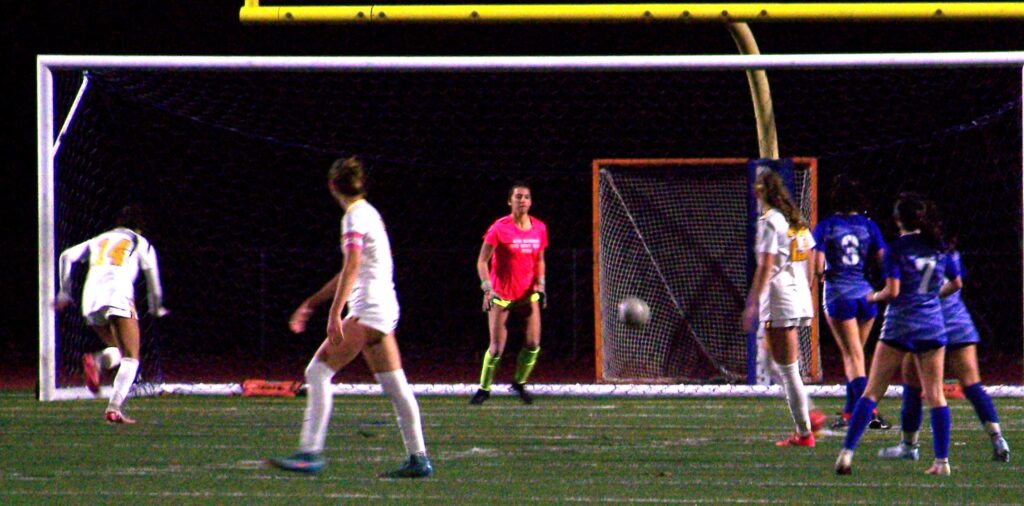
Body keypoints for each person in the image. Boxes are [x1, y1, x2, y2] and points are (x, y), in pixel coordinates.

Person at [269, 156, 432, 478]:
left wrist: (334, 314)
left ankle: (310, 453)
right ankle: (419, 458)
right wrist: (313, 302)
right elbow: (349, 269)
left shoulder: (353, 218)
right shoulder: (369, 212)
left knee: (316, 372)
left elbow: (353, 266)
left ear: (332, 186)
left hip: (369, 309)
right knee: (397, 387)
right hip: (383, 307)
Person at [835, 192, 959, 476]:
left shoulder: (896, 249)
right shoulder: (937, 247)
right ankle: (942, 462)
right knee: (935, 394)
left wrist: (873, 296)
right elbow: (957, 282)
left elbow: (893, 292)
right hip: (930, 324)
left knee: (872, 392)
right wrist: (930, 296)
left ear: (897, 220)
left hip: (900, 324)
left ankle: (846, 454)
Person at [877, 243, 1010, 463]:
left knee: (912, 383)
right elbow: (957, 282)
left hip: (927, 323)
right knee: (972, 384)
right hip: (958, 322)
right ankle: (998, 440)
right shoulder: (950, 252)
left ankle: (909, 446)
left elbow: (905, 288)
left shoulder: (913, 251)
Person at [54, 205, 169, 424]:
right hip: (117, 295)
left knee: (119, 350)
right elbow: (153, 283)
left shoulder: (100, 239)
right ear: (140, 227)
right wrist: (156, 308)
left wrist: (65, 292)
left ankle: (97, 361)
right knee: (131, 359)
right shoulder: (141, 242)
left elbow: (66, 256)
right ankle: (114, 408)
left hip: (90, 300)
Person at [742, 169, 823, 447]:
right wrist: (804, 287)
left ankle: (805, 431)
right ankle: (808, 418)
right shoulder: (796, 220)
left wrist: (753, 302)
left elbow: (765, 265)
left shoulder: (769, 221)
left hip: (780, 299)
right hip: (798, 297)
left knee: (789, 371)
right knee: (773, 362)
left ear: (761, 191)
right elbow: (812, 260)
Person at [812, 175, 891, 430]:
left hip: (840, 296)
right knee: (855, 356)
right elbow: (884, 261)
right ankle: (849, 412)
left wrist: (823, 275)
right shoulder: (869, 226)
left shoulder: (826, 226)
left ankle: (870, 412)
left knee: (852, 356)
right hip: (866, 296)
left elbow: (817, 266)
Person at [470, 181, 548, 405]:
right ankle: (484, 389)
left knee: (533, 343)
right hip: (501, 294)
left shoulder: (539, 228)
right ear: (509, 201)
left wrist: (541, 284)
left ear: (531, 202)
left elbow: (540, 259)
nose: (522, 200)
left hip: (527, 295)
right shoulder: (499, 228)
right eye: (518, 197)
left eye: (526, 197)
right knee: (496, 349)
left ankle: (519, 383)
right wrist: (487, 288)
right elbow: (482, 261)